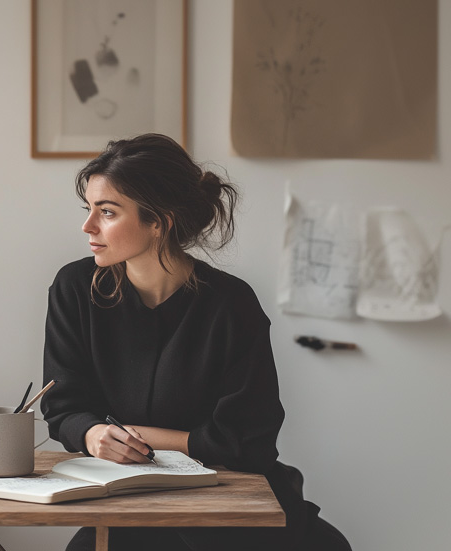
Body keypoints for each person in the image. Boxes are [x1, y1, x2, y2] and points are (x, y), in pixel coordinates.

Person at [41, 134, 352, 551]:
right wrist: (93, 432)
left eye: (108, 212)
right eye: (89, 210)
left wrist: (134, 435)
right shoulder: (75, 288)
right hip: (125, 498)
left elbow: (247, 442)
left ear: (159, 222)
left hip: (232, 498)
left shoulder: (232, 304)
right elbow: (62, 407)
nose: (88, 226)